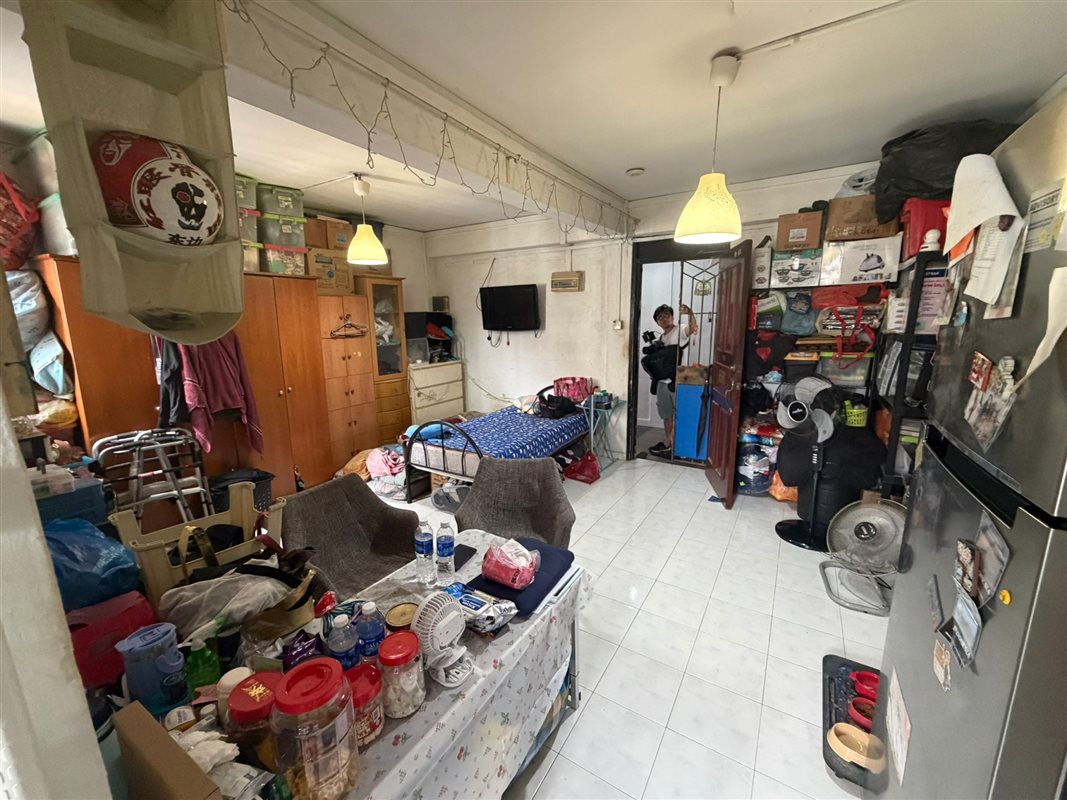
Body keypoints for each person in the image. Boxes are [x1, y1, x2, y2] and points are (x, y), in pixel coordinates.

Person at [649, 303, 697, 457]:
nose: (664, 319)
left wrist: (690, 313)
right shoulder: (661, 338)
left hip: (677, 380)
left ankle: (678, 445)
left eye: (666, 315)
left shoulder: (680, 330)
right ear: (657, 322)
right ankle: (667, 442)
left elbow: (693, 328)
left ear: (672, 317)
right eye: (660, 317)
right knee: (666, 414)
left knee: (680, 414)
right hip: (662, 382)